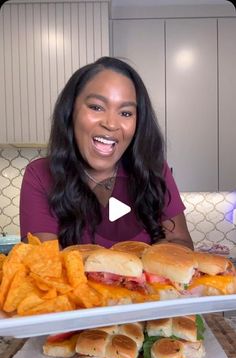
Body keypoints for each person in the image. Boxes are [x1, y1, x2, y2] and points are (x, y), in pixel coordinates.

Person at [20, 56, 193, 250]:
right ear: (70, 111)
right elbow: (43, 262)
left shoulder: (153, 169)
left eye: (126, 113)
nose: (110, 124)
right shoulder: (39, 174)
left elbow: (181, 242)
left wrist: (162, 254)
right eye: (96, 107)